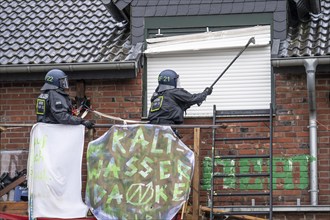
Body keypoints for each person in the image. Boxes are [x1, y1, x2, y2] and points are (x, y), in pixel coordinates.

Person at [148, 69, 212, 128]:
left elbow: (176, 106)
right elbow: (192, 98)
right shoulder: (174, 92)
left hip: (154, 128)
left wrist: (198, 99)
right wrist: (205, 93)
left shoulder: (156, 95)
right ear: (172, 81)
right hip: (167, 127)